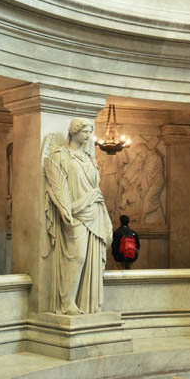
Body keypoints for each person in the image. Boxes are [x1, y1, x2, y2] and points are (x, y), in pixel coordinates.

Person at [44, 118, 112, 315]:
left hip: (95, 210)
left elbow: (95, 185)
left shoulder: (89, 158)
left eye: (90, 131)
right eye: (85, 131)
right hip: (75, 211)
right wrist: (63, 207)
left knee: (91, 257)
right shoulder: (60, 156)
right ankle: (66, 302)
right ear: (74, 131)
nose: (89, 136)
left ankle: (85, 303)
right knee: (78, 256)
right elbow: (53, 187)